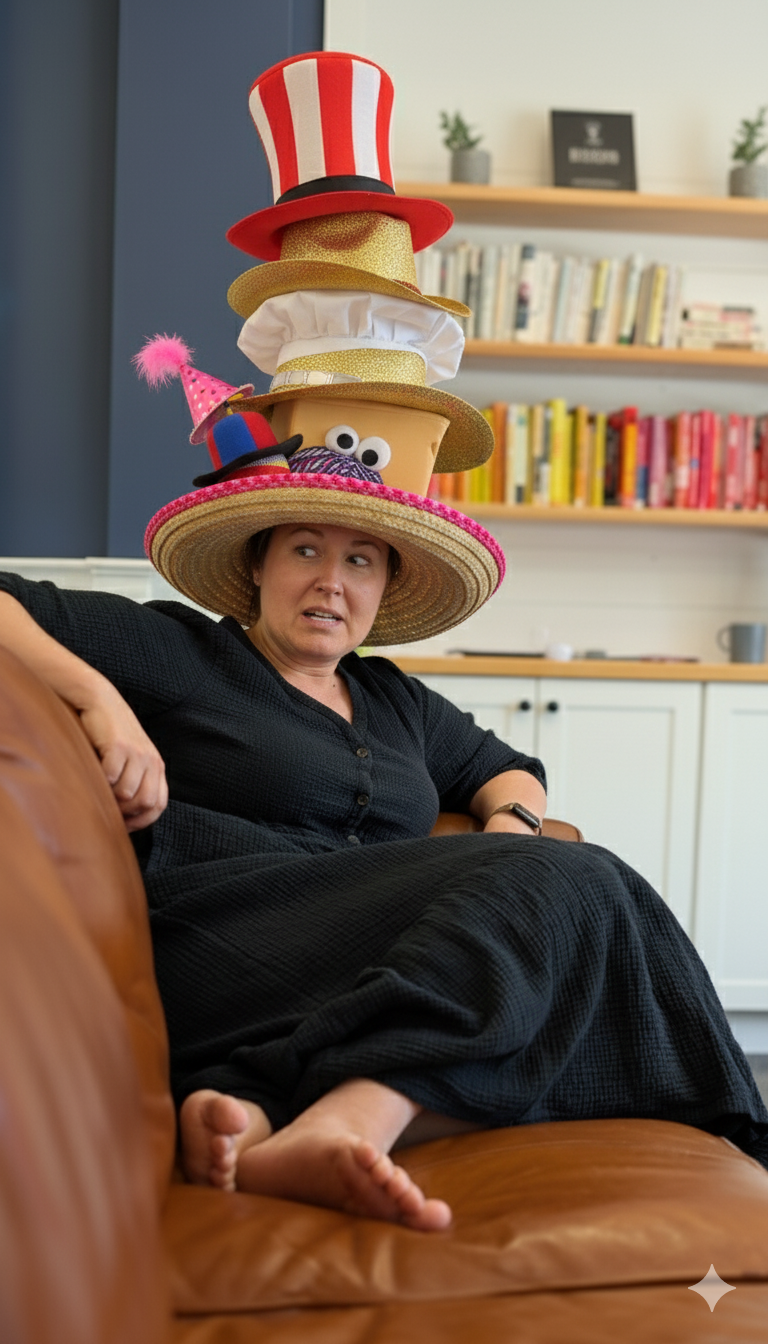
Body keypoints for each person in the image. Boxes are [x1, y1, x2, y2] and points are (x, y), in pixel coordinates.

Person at [1, 510, 767, 1234]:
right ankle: (346, 1116)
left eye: (360, 561)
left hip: (357, 959)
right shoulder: (185, 652)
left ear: (383, 588)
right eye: (305, 550)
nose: (332, 580)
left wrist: (510, 829)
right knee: (581, 884)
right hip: (228, 936)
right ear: (257, 566)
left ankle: (284, 1114)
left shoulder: (393, 699)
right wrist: (99, 700)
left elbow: (507, 769)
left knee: (567, 931)